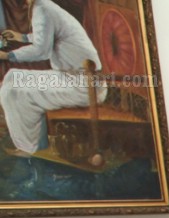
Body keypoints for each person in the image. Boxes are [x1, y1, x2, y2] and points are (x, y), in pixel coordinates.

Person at [0, 0, 104, 155]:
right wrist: (22, 38)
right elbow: (48, 35)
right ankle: (31, 142)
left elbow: (41, 51)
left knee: (11, 92)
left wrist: (8, 55)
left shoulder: (42, 8)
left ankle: (29, 148)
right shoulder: (43, 6)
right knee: (11, 77)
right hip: (75, 78)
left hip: (83, 86)